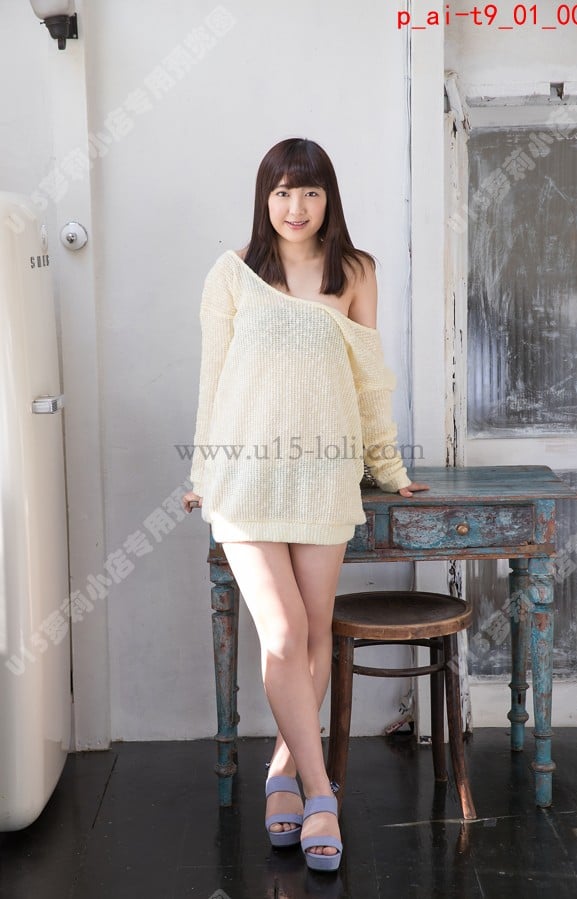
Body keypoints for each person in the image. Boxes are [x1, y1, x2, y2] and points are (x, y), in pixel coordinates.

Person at [182, 137, 428, 873]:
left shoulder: (355, 271)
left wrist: (388, 466)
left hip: (326, 474)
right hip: (246, 480)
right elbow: (213, 381)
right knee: (285, 633)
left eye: (311, 192)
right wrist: (203, 470)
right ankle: (323, 790)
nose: (296, 207)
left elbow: (370, 381)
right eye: (283, 192)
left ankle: (283, 771)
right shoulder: (231, 275)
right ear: (266, 198)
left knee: (316, 633)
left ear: (329, 199)